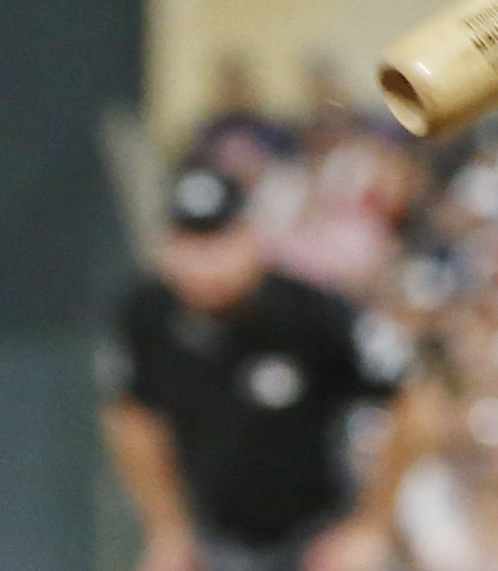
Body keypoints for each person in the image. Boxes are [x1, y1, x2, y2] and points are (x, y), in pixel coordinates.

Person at [103, 167, 422, 571]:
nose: (206, 263)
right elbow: (132, 419)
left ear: (250, 236)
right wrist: (166, 529)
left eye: (220, 240)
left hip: (317, 537)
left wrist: (370, 527)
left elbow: (416, 401)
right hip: (212, 539)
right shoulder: (149, 315)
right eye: (191, 243)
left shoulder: (311, 311)